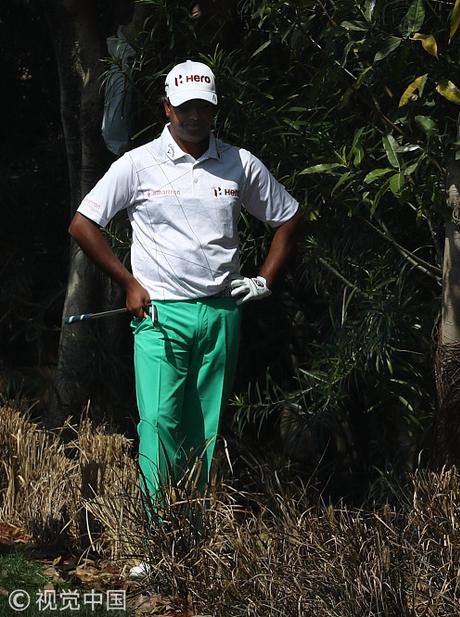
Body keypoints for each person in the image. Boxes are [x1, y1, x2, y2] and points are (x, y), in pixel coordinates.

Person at [68, 60, 303, 578]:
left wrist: (263, 279)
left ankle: (189, 540)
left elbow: (288, 216)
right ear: (168, 107)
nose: (197, 115)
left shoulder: (239, 163)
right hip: (158, 314)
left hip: (222, 312)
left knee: (204, 429)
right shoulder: (138, 164)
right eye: (187, 106)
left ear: (214, 109)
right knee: (158, 425)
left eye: (206, 106)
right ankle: (153, 546)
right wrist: (129, 283)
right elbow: (83, 223)